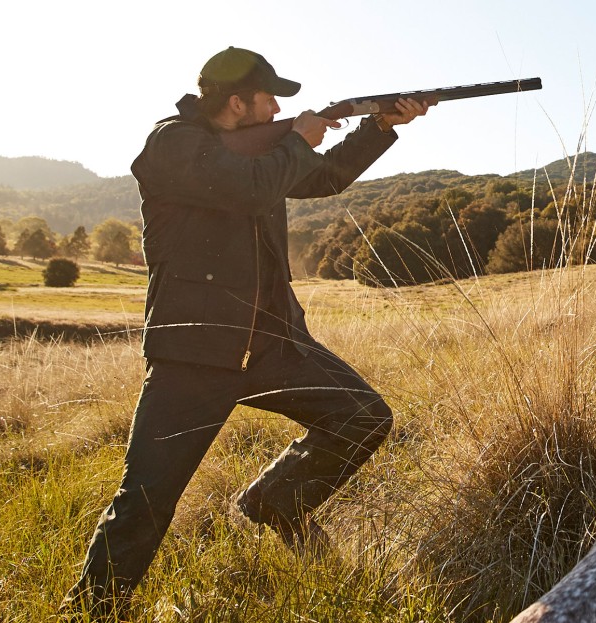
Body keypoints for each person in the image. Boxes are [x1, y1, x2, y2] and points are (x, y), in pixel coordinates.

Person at [62, 46, 431, 616]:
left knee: (363, 417)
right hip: (198, 346)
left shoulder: (264, 154)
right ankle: (92, 609)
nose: (277, 109)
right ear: (237, 101)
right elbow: (248, 185)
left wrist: (378, 126)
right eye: (269, 100)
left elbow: (326, 176)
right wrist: (299, 138)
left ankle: (277, 502)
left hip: (269, 342)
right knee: (147, 499)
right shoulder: (173, 145)